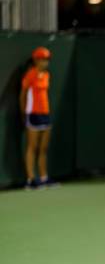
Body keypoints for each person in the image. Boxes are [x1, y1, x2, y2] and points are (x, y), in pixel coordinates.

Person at [20, 47, 58, 190]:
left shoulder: (47, 75)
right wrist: (24, 113)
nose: (45, 62)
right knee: (32, 147)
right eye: (42, 59)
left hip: (45, 114)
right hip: (33, 114)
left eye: (47, 59)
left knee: (43, 148)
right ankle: (30, 180)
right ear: (36, 60)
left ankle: (43, 178)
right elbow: (23, 95)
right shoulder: (30, 75)